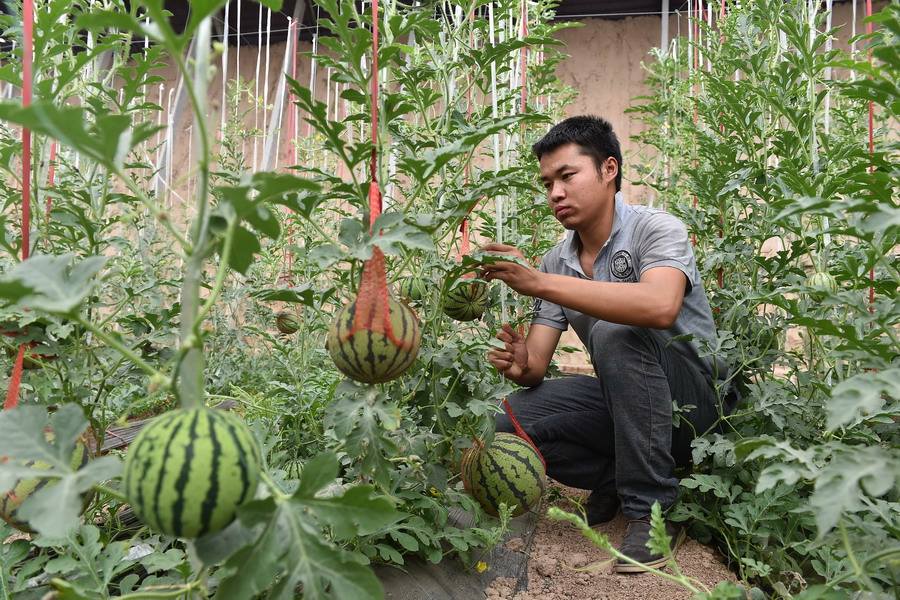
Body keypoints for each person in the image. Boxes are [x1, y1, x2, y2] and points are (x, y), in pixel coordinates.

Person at [481, 115, 735, 573]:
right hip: (632, 404)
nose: (555, 193)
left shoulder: (657, 229)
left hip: (696, 408)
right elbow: (537, 364)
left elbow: (659, 306)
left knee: (615, 333)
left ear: (608, 169)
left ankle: (651, 509)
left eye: (566, 176)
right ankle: (617, 480)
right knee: (506, 423)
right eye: (547, 183)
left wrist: (540, 284)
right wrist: (521, 363)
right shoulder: (556, 260)